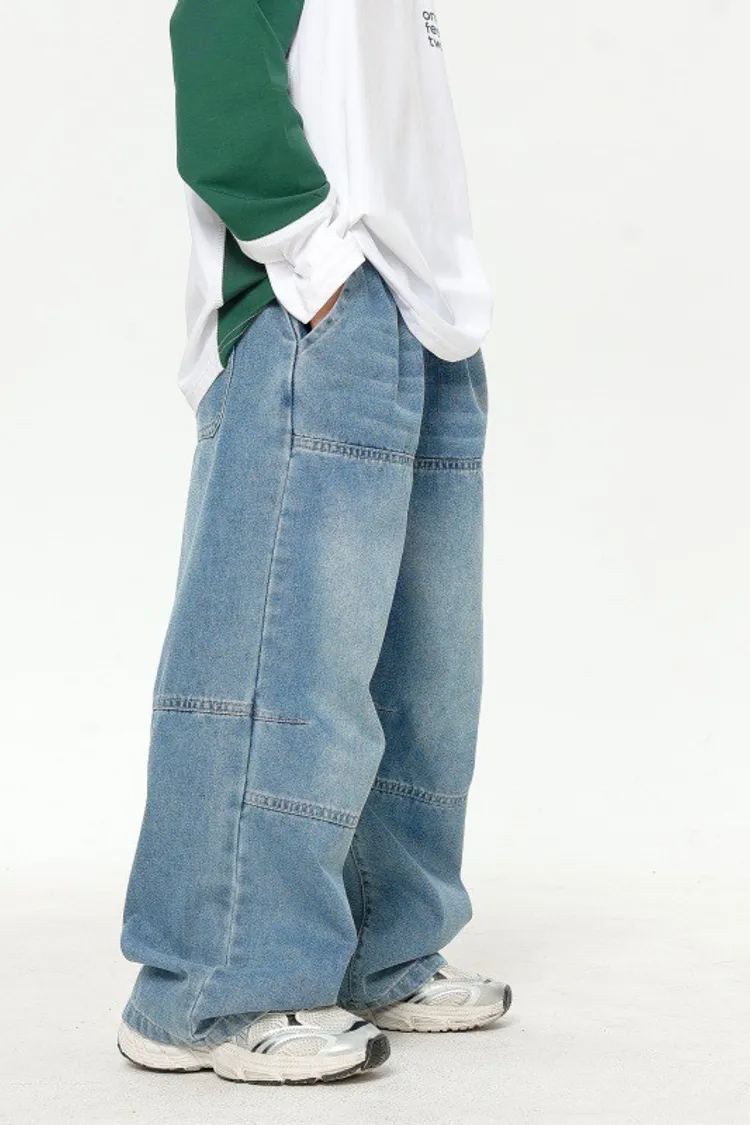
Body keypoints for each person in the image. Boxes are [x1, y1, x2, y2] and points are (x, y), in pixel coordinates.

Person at [117, 0, 512, 1085]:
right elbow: (215, 51)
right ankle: (209, 988)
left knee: (422, 676)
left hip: (430, 317)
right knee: (277, 669)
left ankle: (384, 946)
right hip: (318, 305)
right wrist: (313, 258)